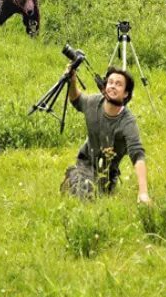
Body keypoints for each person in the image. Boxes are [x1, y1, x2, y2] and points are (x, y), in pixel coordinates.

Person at [61, 64, 150, 203]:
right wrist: (72, 80)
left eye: (119, 84)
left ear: (126, 93)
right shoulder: (93, 102)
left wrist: (143, 193)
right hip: (85, 164)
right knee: (82, 191)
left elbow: (138, 155)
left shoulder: (127, 122)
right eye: (110, 82)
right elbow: (76, 99)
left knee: (95, 195)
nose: (113, 86)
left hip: (107, 175)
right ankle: (74, 178)